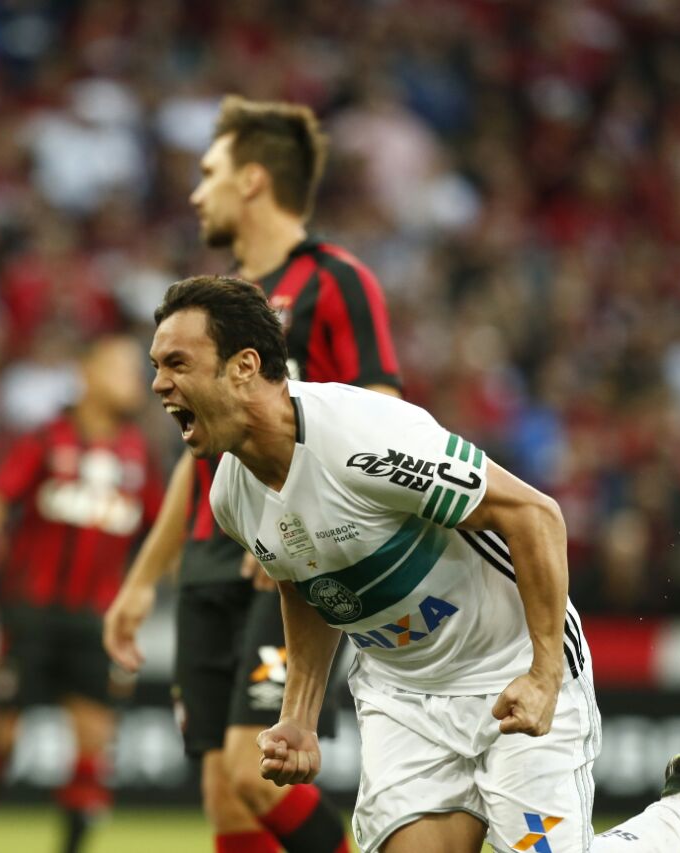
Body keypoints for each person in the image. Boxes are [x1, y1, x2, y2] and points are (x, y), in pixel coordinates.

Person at [147, 275, 680, 853]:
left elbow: (535, 515)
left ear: (244, 367)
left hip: (508, 665)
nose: (158, 384)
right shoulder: (230, 495)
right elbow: (306, 583)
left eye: (177, 363)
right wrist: (299, 713)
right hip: (402, 693)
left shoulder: (362, 442)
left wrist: (543, 675)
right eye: (157, 366)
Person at [105, 95, 400, 853]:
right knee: (224, 794)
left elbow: (384, 419)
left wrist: (299, 525)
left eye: (210, 173)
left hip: (284, 563)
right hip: (209, 556)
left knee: (254, 771)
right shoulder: (216, 308)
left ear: (253, 181)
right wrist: (143, 579)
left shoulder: (337, 281)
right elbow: (197, 457)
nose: (196, 192)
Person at [0, 333, 163, 853]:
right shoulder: (45, 440)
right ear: (86, 374)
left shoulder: (139, 455)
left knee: (94, 741)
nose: (135, 381)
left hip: (97, 621)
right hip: (31, 613)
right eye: (121, 368)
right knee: (2, 738)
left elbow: (163, 531)